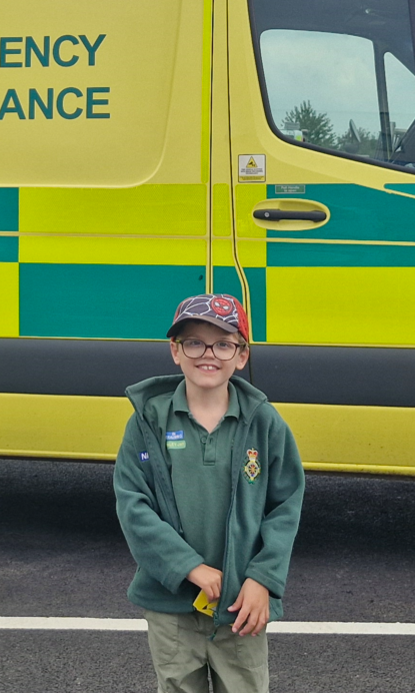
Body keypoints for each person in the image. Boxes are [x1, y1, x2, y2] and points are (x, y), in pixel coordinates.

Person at [114, 293, 306, 693]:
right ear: (175, 351)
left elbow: (285, 505)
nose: (209, 354)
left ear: (241, 355)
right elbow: (134, 505)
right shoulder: (148, 421)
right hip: (172, 605)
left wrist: (263, 579)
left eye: (223, 344)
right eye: (195, 342)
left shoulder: (264, 423)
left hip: (241, 604)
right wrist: (189, 566)